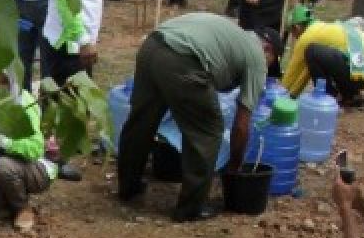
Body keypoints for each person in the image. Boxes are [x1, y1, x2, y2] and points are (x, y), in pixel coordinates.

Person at [117, 13, 276, 222]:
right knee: (208, 131)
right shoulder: (257, 57)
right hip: (182, 60)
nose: (268, 68)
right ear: (269, 50)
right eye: (272, 62)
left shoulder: (233, 34)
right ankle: (190, 208)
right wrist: (235, 167)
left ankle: (128, 186)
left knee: (142, 121)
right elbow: (241, 124)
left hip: (152, 46)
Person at [0, 75, 55, 230]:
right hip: (7, 161)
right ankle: (1, 205)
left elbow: (35, 148)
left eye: (4, 81)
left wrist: (5, 142)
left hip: (34, 166)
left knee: (2, 166)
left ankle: (22, 208)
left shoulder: (23, 102)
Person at [282, 4, 364, 108]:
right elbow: (307, 70)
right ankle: (351, 96)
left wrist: (279, 96)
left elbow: (293, 72)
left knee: (312, 51)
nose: (293, 36)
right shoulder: (323, 28)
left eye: (292, 32)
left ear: (296, 27)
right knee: (319, 56)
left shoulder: (307, 36)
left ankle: (329, 98)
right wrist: (291, 96)